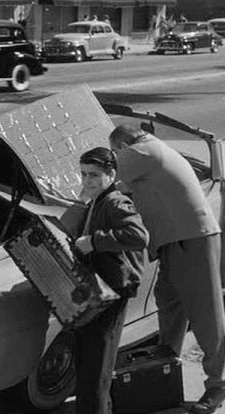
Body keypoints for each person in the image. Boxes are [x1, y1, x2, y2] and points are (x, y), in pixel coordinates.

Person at [109, 124, 225, 414]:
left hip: (191, 239)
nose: (117, 155)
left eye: (116, 151)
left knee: (206, 314)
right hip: (178, 240)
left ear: (123, 146)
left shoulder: (143, 151)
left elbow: (104, 173)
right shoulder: (153, 152)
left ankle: (220, 385)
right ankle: (165, 367)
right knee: (169, 302)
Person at [61, 147, 149, 414]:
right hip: (99, 291)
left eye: (94, 175)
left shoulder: (115, 202)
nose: (87, 181)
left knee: (96, 371)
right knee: (89, 368)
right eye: (84, 174)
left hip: (113, 292)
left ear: (111, 175)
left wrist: (95, 242)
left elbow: (139, 236)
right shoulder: (97, 200)